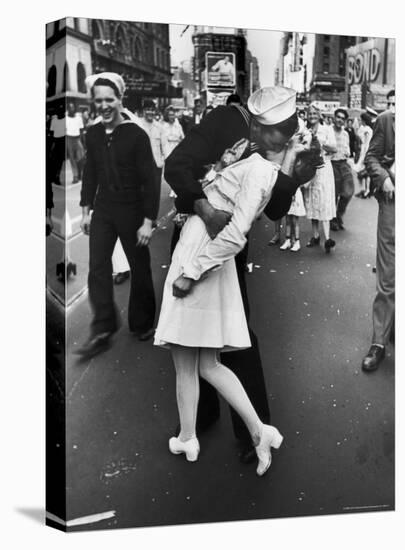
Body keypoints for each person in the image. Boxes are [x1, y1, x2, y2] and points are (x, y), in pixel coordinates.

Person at [155, 101, 319, 473]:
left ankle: (242, 432)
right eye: (281, 131)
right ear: (260, 123)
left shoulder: (269, 154)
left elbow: (272, 211)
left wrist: (290, 166)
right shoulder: (226, 121)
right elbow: (177, 166)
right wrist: (204, 208)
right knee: (203, 350)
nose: (281, 138)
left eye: (289, 132)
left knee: (215, 344)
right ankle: (200, 426)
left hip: (211, 249)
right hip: (202, 233)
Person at [76, 73, 159, 358]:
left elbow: (151, 179)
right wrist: (86, 211)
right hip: (104, 209)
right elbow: (90, 173)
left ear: (120, 99)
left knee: (139, 267)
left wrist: (148, 221)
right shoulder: (93, 133)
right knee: (98, 267)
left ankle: (142, 322)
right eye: (98, 100)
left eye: (109, 99)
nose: (104, 105)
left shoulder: (136, 134)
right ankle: (103, 325)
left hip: (132, 209)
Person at [361, 90, 395, 372]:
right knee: (388, 278)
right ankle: (379, 342)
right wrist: (383, 178)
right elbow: (371, 158)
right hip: (394, 205)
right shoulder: (386, 120)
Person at [304, 103, 337, 252]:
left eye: (314, 114)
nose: (312, 116)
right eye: (310, 114)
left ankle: (327, 238)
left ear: (319, 115)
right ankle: (315, 235)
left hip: (324, 168)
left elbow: (334, 149)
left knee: (324, 200)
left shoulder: (326, 129)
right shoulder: (305, 130)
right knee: (313, 200)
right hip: (311, 169)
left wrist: (320, 143)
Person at [138, 99, 167, 217]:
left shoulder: (159, 127)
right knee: (141, 191)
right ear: (143, 111)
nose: (150, 112)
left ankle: (152, 217)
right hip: (140, 164)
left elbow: (165, 147)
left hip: (156, 164)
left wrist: (167, 161)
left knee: (155, 192)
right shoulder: (137, 125)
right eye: (147, 110)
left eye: (152, 110)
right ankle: (142, 217)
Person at [330, 108, 355, 231]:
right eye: (338, 117)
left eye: (342, 118)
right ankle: (333, 219)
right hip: (332, 164)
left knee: (348, 192)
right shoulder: (328, 131)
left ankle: (339, 214)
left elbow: (348, 150)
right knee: (333, 194)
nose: (340, 120)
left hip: (344, 164)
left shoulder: (346, 133)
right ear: (334, 118)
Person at [354, 113, 374, 198]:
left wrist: (366, 155)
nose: (360, 121)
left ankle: (367, 191)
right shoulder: (364, 129)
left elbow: (367, 143)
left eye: (361, 120)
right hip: (363, 152)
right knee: (362, 173)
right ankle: (364, 190)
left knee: (367, 173)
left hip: (366, 152)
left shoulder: (367, 130)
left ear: (364, 120)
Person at [66, 102, 85, 183]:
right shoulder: (65, 119)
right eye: (70, 107)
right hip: (69, 139)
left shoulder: (79, 118)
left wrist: (83, 142)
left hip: (77, 139)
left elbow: (81, 130)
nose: (71, 109)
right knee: (72, 159)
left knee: (81, 158)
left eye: (72, 107)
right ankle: (75, 176)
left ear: (74, 108)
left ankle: (80, 174)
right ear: (68, 109)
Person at [49, 105, 67, 185]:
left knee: (59, 162)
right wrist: (52, 145)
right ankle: (53, 176)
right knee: (54, 161)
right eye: (58, 111)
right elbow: (52, 133)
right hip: (56, 141)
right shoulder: (54, 120)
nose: (60, 113)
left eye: (61, 111)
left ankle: (57, 177)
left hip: (63, 141)